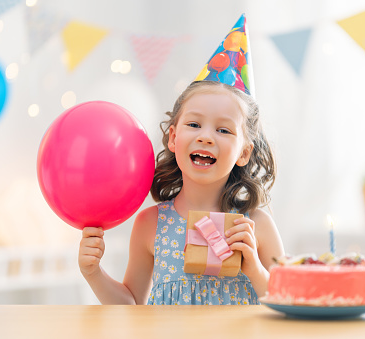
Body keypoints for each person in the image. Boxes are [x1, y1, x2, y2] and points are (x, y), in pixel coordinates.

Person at [78, 14, 284, 305]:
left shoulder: (256, 224)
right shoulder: (150, 224)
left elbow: (289, 298)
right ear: (173, 138)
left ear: (244, 152)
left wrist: (254, 268)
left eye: (223, 129)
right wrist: (93, 272)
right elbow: (131, 304)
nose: (206, 137)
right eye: (195, 125)